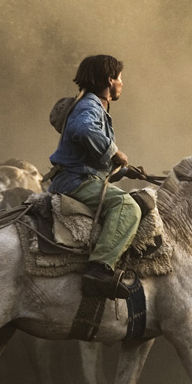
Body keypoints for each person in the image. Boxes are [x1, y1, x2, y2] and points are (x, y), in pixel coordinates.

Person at [48, 54, 141, 299]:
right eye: (119, 78)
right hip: (75, 181)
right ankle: (99, 270)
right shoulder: (90, 104)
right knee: (127, 206)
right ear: (109, 80)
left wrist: (123, 171)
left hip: (79, 176)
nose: (122, 83)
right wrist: (113, 151)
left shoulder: (91, 104)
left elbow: (90, 158)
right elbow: (82, 129)